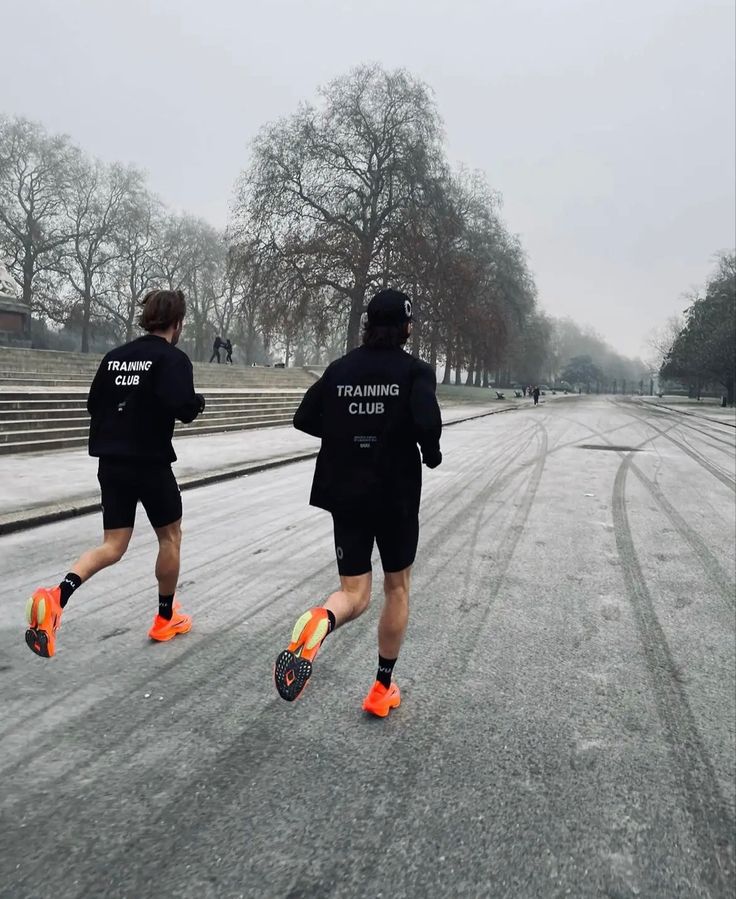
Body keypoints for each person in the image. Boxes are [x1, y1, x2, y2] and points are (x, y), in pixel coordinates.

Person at [274, 288, 442, 717]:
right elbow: (427, 426)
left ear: (368, 324)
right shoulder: (415, 372)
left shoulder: (340, 369)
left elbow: (304, 417)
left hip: (346, 490)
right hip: (395, 495)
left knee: (353, 592)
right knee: (396, 587)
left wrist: (347, 435)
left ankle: (320, 620)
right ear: (405, 327)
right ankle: (381, 688)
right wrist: (430, 452)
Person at [24, 289, 206, 658]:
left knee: (112, 545)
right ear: (177, 322)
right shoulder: (172, 358)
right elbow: (183, 406)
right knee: (170, 537)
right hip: (150, 463)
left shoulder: (114, 358)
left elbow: (94, 404)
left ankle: (57, 596)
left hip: (111, 462)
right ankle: (164, 618)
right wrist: (197, 403)